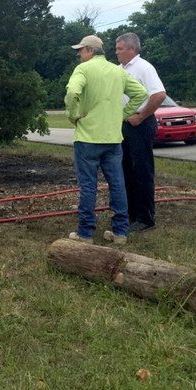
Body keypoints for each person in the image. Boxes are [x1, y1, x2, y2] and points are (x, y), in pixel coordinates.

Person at [64, 35, 147, 245]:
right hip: (112, 138)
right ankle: (120, 232)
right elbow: (141, 93)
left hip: (87, 138)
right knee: (117, 184)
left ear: (91, 51)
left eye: (81, 50)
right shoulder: (118, 71)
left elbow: (73, 91)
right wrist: (122, 114)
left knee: (88, 186)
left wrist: (72, 115)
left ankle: (85, 233)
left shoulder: (83, 70)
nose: (79, 54)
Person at [115, 32, 166, 232]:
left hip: (140, 123)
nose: (116, 52)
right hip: (124, 123)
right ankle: (131, 215)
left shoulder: (144, 68)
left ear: (132, 49)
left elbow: (159, 95)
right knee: (125, 169)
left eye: (120, 48)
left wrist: (142, 115)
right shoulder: (119, 69)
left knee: (141, 171)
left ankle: (146, 219)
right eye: (116, 48)